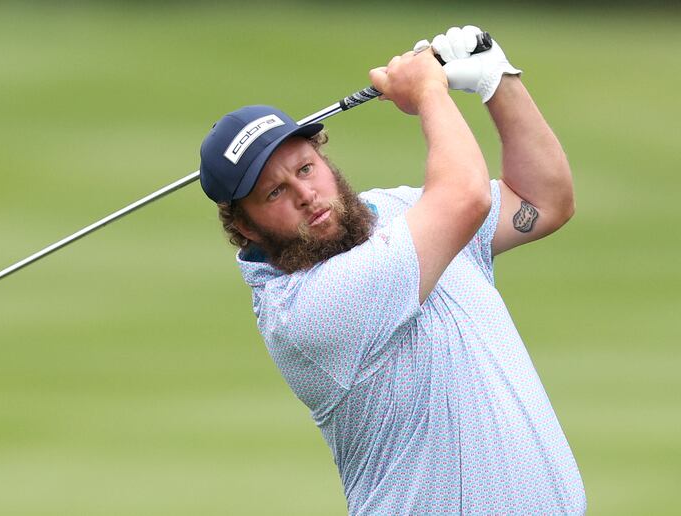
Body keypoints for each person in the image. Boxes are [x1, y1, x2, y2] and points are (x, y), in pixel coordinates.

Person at [199, 26, 585, 515]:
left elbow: (543, 202)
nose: (305, 194)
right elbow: (465, 197)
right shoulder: (308, 311)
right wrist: (428, 92)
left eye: (304, 168)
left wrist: (497, 81)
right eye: (273, 193)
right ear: (245, 227)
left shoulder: (396, 211)